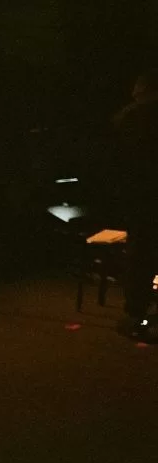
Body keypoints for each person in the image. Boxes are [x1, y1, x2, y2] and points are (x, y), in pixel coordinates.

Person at [113, 68, 158, 339]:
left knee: (141, 253)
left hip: (140, 196)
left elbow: (115, 160)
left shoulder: (128, 117)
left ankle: (136, 314)